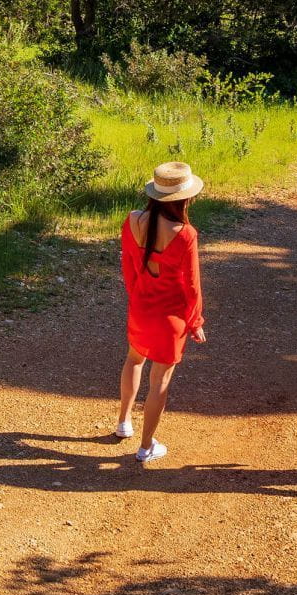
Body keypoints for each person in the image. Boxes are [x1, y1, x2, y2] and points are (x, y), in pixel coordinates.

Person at [114, 160, 206, 463]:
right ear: (185, 199)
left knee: (133, 359)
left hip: (141, 307)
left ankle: (123, 423)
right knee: (160, 381)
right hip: (171, 318)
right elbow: (192, 286)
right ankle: (146, 445)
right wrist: (195, 322)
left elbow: (128, 267)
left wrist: (137, 297)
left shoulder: (132, 221)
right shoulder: (185, 233)